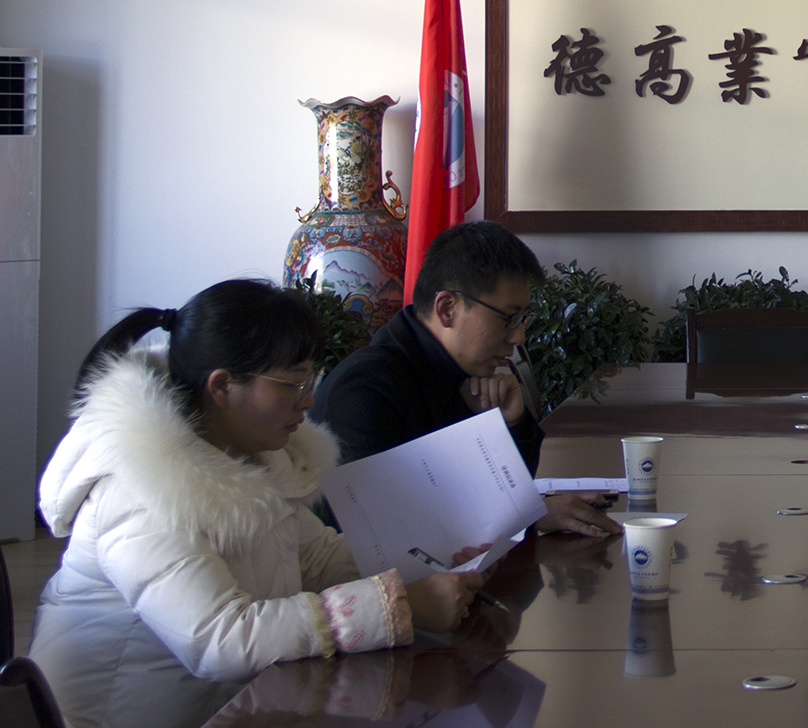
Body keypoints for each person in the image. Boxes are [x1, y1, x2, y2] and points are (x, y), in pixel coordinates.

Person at [29, 280, 487, 728]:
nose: (309, 401)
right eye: (294, 383)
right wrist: (394, 607)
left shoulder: (244, 453)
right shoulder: (139, 490)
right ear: (222, 387)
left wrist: (429, 560)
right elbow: (221, 641)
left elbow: (316, 556)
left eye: (310, 379)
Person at [312, 221, 616, 537]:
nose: (519, 337)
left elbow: (504, 491)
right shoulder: (366, 390)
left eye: (523, 319)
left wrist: (511, 424)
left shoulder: (456, 371)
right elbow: (380, 533)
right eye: (508, 318)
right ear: (447, 308)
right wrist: (526, 517)